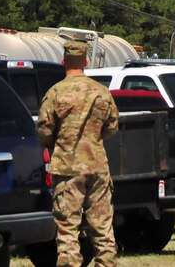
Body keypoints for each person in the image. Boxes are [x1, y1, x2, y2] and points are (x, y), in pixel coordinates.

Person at [36, 39, 120, 267]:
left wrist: (59, 142)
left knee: (68, 230)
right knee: (103, 228)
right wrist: (92, 139)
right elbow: (112, 127)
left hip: (67, 169)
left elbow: (44, 131)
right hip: (97, 166)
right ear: (86, 61)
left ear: (64, 62)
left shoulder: (55, 93)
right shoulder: (101, 92)